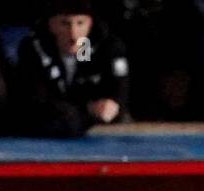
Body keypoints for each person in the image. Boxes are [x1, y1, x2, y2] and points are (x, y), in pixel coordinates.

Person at [14, 0, 130, 137]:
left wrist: (112, 104)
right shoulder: (35, 48)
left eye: (80, 23)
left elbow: (119, 87)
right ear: (51, 25)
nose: (73, 33)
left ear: (90, 24)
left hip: (89, 130)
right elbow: (36, 100)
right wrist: (87, 108)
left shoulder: (101, 46)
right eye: (64, 23)